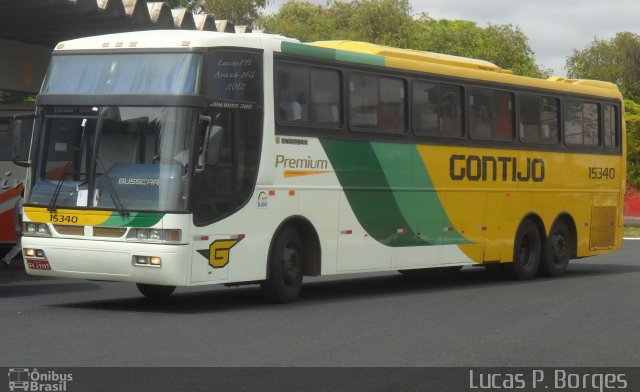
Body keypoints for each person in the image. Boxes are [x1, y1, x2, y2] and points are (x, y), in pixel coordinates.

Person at [2, 197, 22, 266]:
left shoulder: (18, 202)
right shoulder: (21, 203)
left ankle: (6, 259)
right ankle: (6, 259)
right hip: (20, 228)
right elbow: (20, 216)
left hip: (17, 227)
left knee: (20, 245)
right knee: (19, 245)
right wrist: (23, 228)